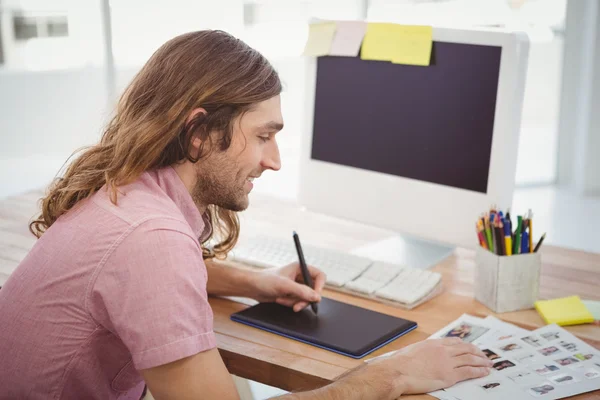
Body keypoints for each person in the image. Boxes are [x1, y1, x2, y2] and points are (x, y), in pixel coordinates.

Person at [0, 30, 492, 400]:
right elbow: (145, 263)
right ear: (198, 132)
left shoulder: (127, 193)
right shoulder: (151, 239)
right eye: (263, 136)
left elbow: (122, 278)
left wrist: (254, 283)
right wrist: (395, 372)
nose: (274, 160)